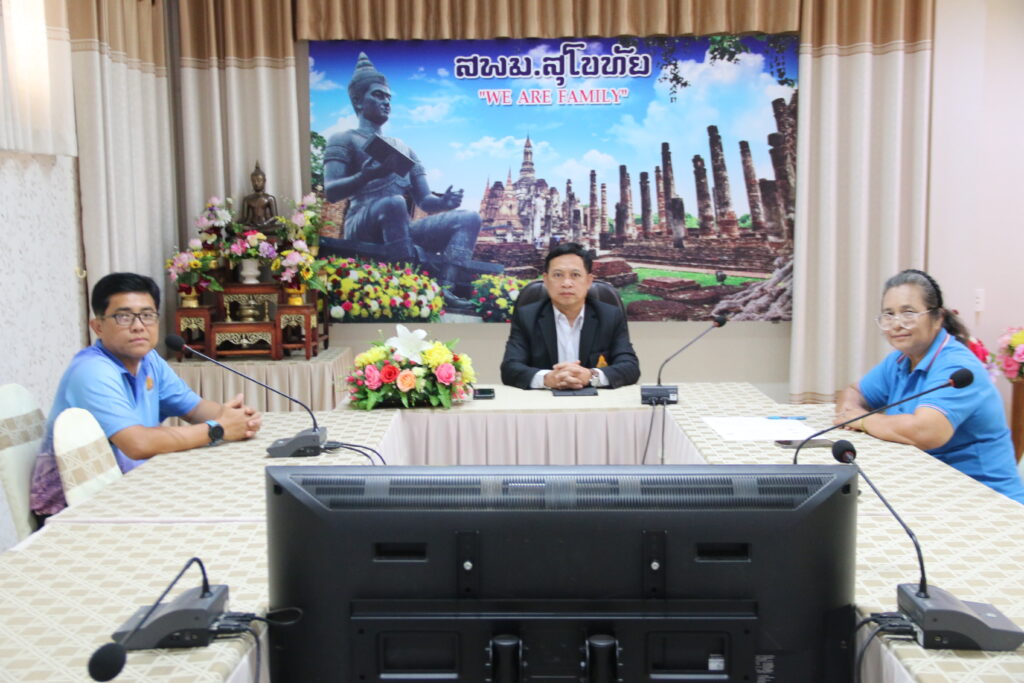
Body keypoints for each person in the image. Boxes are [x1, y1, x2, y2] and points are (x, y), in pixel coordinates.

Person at [29, 273, 263, 519]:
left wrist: (237, 418)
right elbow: (138, 444)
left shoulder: (149, 360)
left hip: (128, 489)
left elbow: (195, 409)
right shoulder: (92, 371)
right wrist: (219, 429)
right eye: (124, 316)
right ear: (98, 326)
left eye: (147, 315)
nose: (138, 326)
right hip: (73, 511)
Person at [835, 269, 1024, 503]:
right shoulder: (901, 360)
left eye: (908, 313)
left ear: (938, 318)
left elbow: (927, 432)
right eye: (889, 315)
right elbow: (854, 392)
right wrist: (850, 410)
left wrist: (861, 420)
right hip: (930, 487)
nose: (896, 324)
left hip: (985, 497)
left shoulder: (957, 367)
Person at [323, 52, 481, 307]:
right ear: (358, 101)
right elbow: (331, 191)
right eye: (378, 95)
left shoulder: (404, 149)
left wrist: (444, 202)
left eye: (388, 97)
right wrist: (366, 175)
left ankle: (446, 289)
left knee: (469, 217)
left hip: (400, 228)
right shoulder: (344, 139)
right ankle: (407, 285)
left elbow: (425, 200)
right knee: (394, 202)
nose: (386, 102)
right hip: (363, 222)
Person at [501, 242, 640, 390]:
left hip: (595, 400)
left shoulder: (609, 315)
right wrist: (547, 379)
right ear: (546, 280)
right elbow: (510, 369)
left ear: (588, 281)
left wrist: (591, 376)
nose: (566, 283)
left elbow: (630, 367)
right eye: (558, 275)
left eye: (575, 275)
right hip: (545, 400)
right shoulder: (527, 316)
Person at [238, 161, 279, 229]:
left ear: (264, 181)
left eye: (259, 180)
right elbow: (244, 218)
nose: (256, 183)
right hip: (252, 226)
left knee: (282, 227)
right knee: (230, 227)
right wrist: (239, 223)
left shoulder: (270, 198)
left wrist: (265, 223)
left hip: (266, 226)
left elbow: (275, 217)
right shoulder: (247, 199)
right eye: (253, 181)